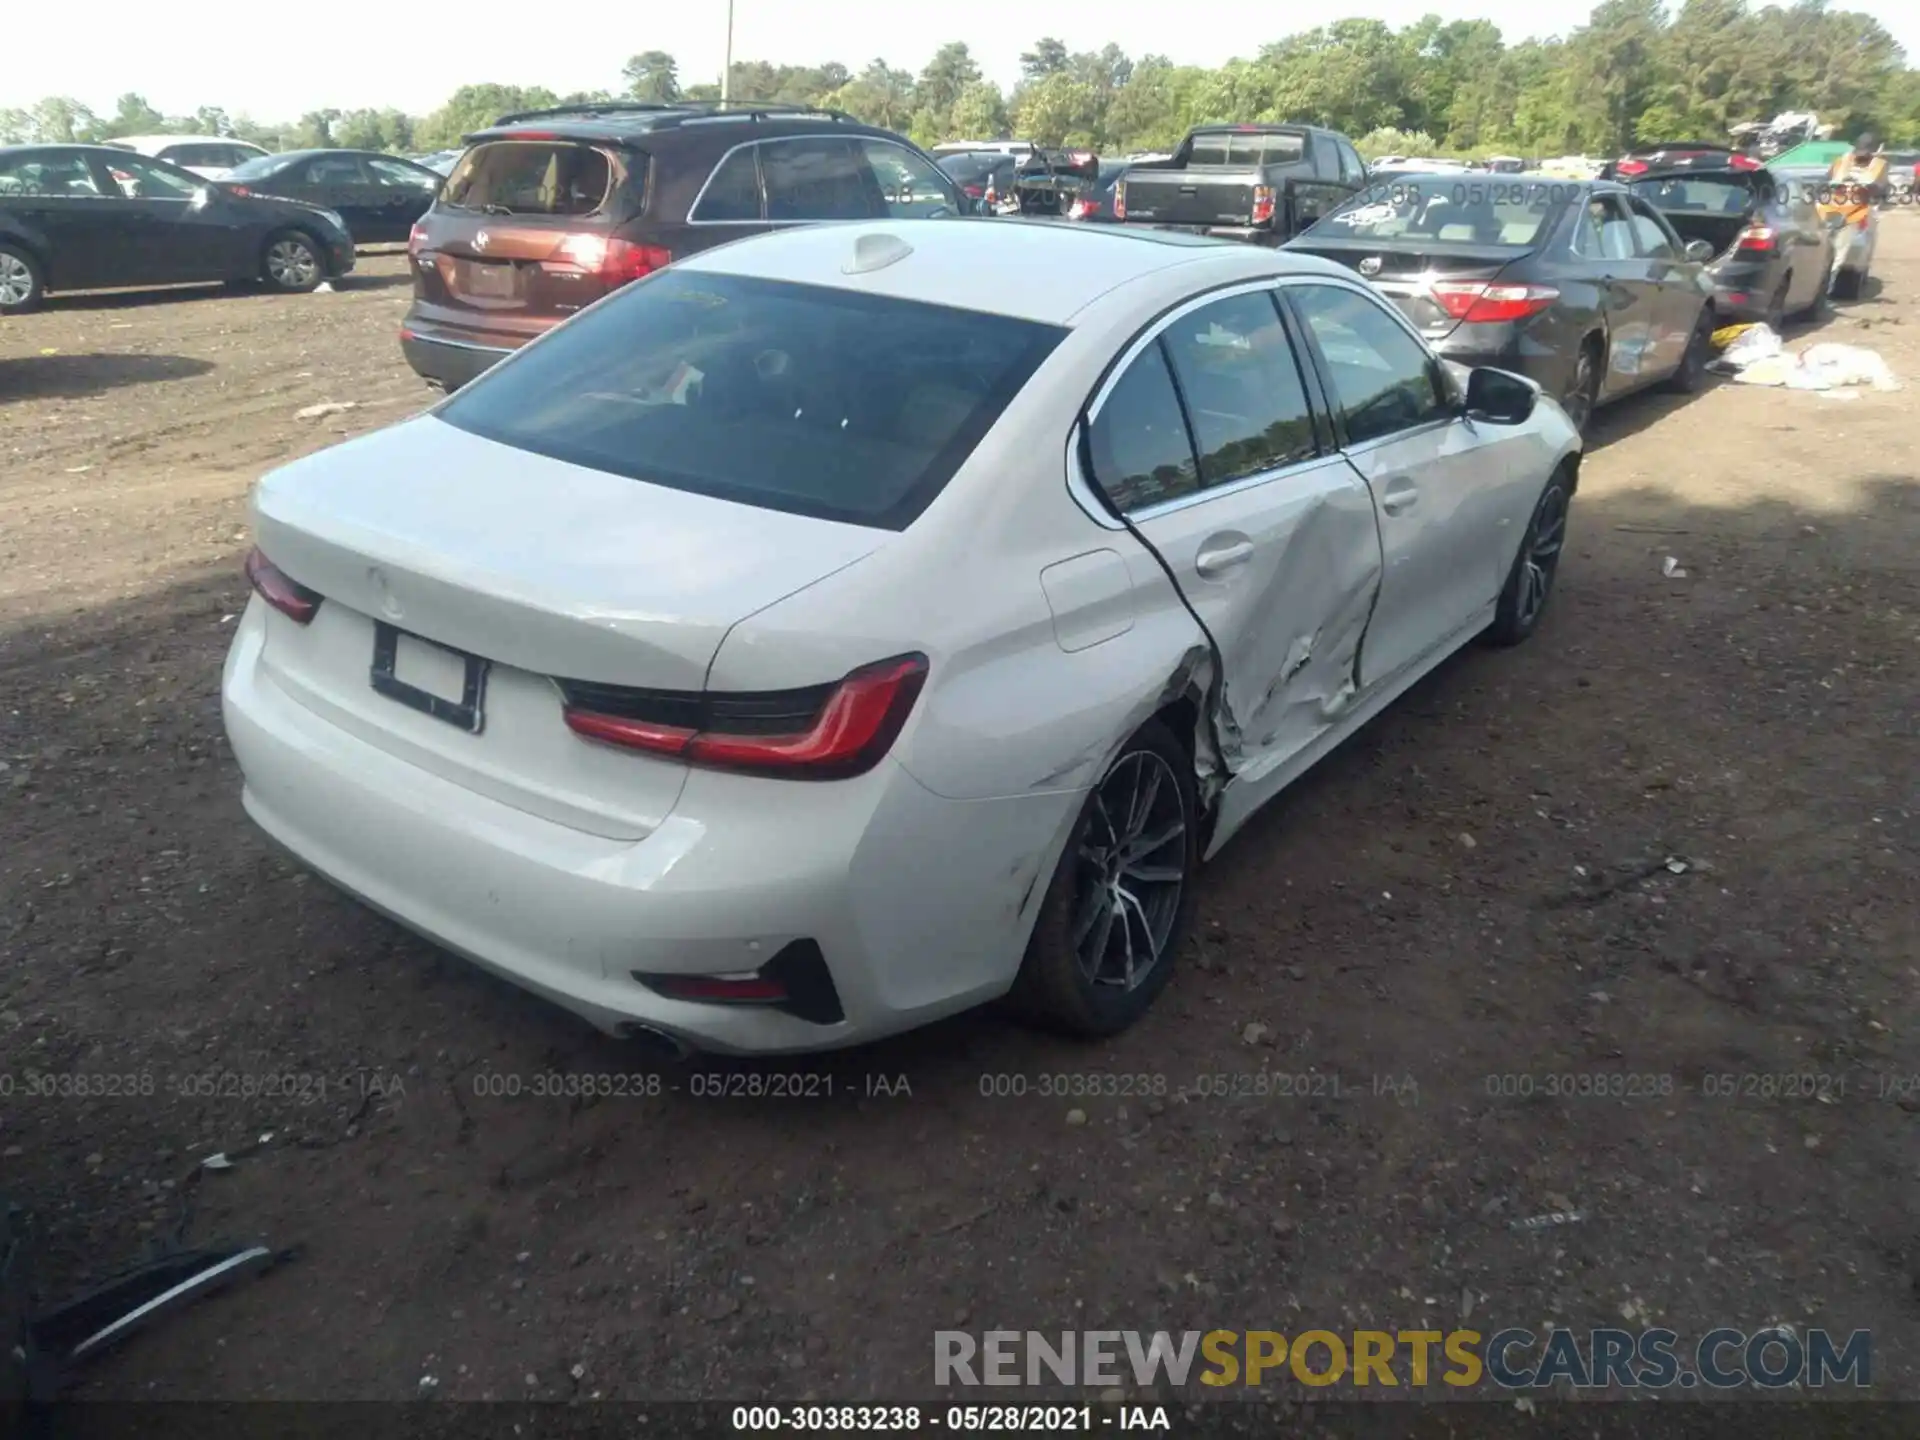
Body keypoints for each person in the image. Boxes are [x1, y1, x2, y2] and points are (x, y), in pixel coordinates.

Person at [1817, 131, 1886, 231]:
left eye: (1865, 153)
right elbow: (1825, 180)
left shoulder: (1879, 165)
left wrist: (1868, 188)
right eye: (1859, 152)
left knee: (1864, 228)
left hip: (1862, 208)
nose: (1861, 157)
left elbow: (1882, 188)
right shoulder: (1841, 161)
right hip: (1834, 205)